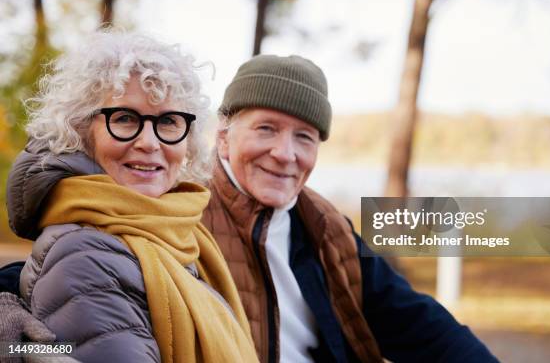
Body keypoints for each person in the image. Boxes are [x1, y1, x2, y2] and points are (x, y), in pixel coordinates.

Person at [1, 54, 498, 362]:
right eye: (266, 129)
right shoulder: (180, 211)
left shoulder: (324, 227)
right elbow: (73, 273)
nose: (285, 153)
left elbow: (416, 323)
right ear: (222, 135)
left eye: (304, 137)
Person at [0, 32, 258, 363]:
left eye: (167, 121)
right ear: (82, 131)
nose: (150, 143)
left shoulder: (181, 234)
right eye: (124, 118)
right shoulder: (85, 256)